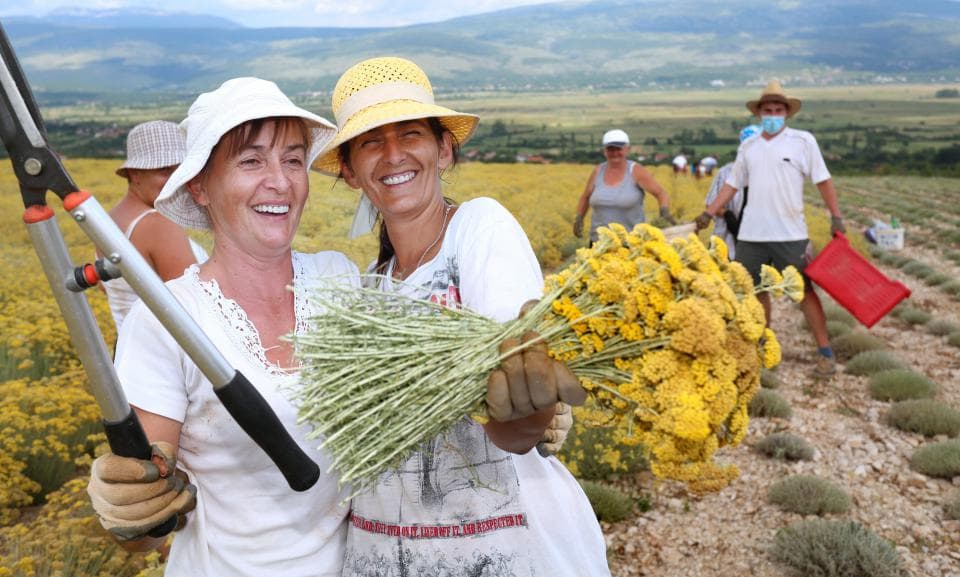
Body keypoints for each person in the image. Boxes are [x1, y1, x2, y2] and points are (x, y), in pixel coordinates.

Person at [85, 77, 579, 577]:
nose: (278, 180)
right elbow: (148, 510)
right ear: (200, 186)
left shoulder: (341, 282)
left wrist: (525, 406)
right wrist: (129, 504)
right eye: (251, 161)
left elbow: (422, 387)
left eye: (293, 160)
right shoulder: (166, 320)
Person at [314, 56, 609, 577]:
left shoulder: (479, 227)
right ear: (350, 171)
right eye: (370, 142)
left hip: (497, 546)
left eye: (410, 135)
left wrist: (532, 409)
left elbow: (516, 393)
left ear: (444, 150)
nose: (392, 155)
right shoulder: (367, 286)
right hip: (384, 555)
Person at [695, 80, 846, 378]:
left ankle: (825, 351)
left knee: (804, 292)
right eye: (768, 110)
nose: (773, 114)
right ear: (759, 113)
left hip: (791, 233)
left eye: (778, 109)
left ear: (787, 113)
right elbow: (732, 183)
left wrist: (836, 216)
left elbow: (823, 180)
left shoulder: (803, 141)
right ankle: (762, 346)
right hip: (751, 236)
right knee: (752, 291)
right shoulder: (748, 146)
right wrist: (709, 212)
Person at [103, 120, 208, 329]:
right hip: (172, 356)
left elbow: (109, 287)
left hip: (130, 351)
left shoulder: (111, 220)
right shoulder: (158, 224)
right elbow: (196, 307)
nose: (175, 180)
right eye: (164, 170)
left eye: (180, 169)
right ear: (135, 174)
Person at [573, 128, 673, 246]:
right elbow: (585, 197)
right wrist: (579, 218)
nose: (615, 153)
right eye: (610, 149)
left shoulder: (636, 171)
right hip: (599, 243)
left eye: (618, 149)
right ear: (604, 151)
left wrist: (664, 212)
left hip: (630, 244)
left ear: (627, 150)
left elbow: (661, 193)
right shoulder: (598, 171)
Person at [703, 125, 761, 259]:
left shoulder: (769, 173)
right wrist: (727, 215)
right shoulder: (726, 172)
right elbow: (711, 204)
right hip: (726, 237)